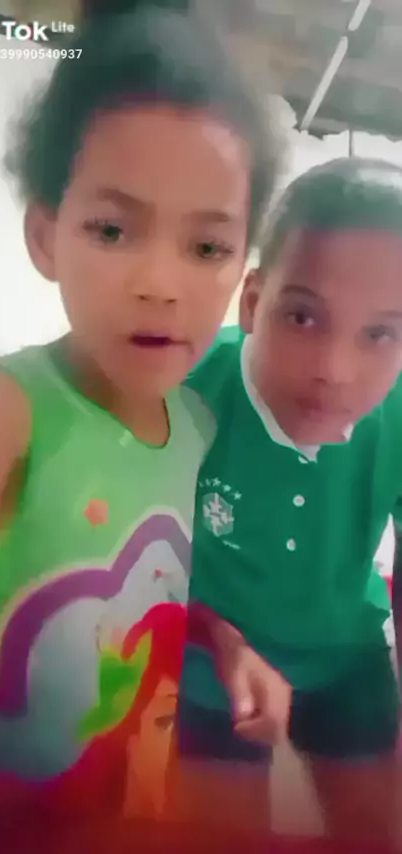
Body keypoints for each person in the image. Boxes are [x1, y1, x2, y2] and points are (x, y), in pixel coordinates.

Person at [0, 0, 281, 818]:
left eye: (207, 246)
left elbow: (142, 589)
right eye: (114, 230)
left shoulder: (194, 427)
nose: (161, 283)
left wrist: (222, 641)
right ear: (45, 236)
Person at [178, 158, 402, 843]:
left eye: (381, 333)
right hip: (210, 653)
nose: (336, 370)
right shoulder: (184, 390)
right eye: (303, 316)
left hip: (348, 654)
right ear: (252, 301)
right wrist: (221, 643)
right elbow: (132, 559)